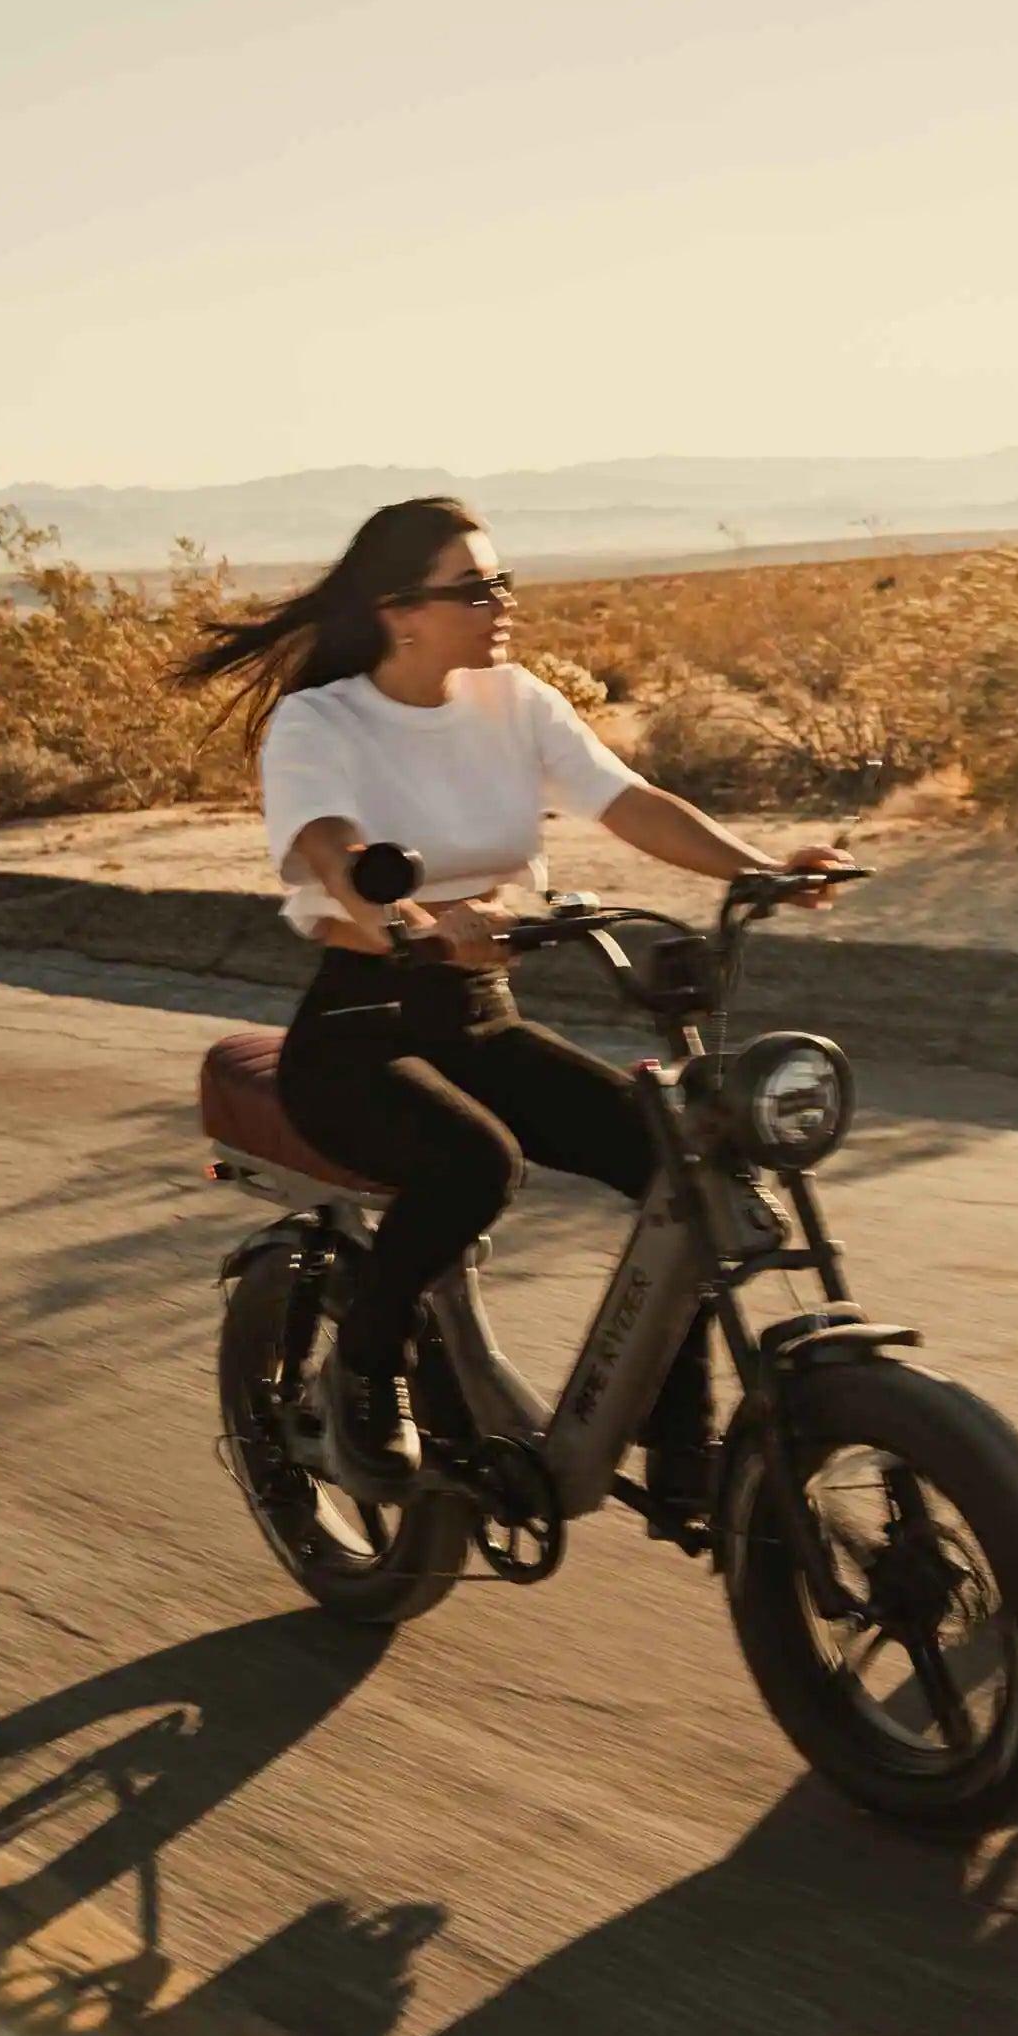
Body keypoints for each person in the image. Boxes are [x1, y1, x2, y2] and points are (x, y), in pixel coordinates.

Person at [180, 498, 845, 1504]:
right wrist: (410, 922)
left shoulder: (514, 700)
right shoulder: (320, 721)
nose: (501, 604)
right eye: (474, 588)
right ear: (401, 609)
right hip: (361, 1034)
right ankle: (365, 1368)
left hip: (478, 1018)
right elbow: (331, 847)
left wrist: (760, 871)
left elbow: (626, 800)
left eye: (503, 582)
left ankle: (681, 1452)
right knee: (473, 1161)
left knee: (685, 1165)